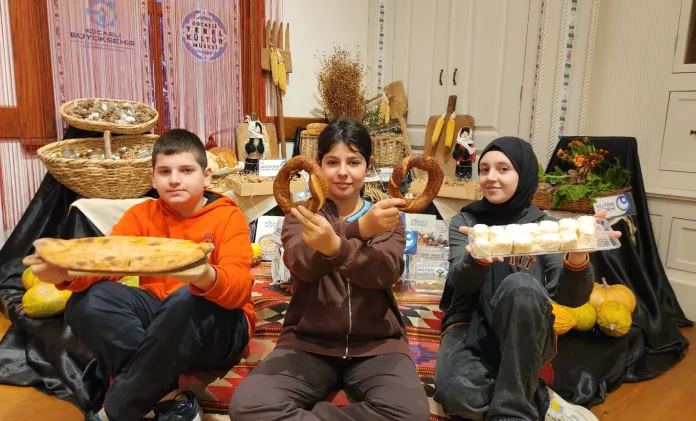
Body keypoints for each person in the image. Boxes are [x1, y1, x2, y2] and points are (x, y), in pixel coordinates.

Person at [26, 129, 256, 421]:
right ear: (153, 179)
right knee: (86, 302)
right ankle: (167, 397)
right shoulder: (141, 215)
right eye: (164, 171)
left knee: (187, 298)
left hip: (221, 329)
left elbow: (240, 291)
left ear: (206, 176)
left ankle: (115, 411)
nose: (174, 180)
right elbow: (105, 264)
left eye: (186, 170)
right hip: (163, 322)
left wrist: (204, 276)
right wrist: (67, 273)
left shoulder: (229, 216)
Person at [229, 118, 430, 421]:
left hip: (377, 346)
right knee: (247, 406)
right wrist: (357, 230)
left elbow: (385, 272)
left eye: (354, 162)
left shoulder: (386, 216)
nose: (343, 172)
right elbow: (303, 265)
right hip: (308, 343)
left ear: (368, 166)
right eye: (332, 162)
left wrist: (340, 242)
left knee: (411, 415)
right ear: (318, 166)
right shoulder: (301, 214)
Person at [433, 136, 611, 421]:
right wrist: (477, 258)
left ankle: (513, 413)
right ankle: (533, 393)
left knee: (521, 285)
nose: (491, 177)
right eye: (484, 169)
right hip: (470, 323)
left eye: (503, 169)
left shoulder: (547, 228)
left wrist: (578, 255)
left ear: (524, 174)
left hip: (525, 328)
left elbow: (572, 298)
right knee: (460, 398)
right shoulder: (466, 223)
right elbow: (460, 283)